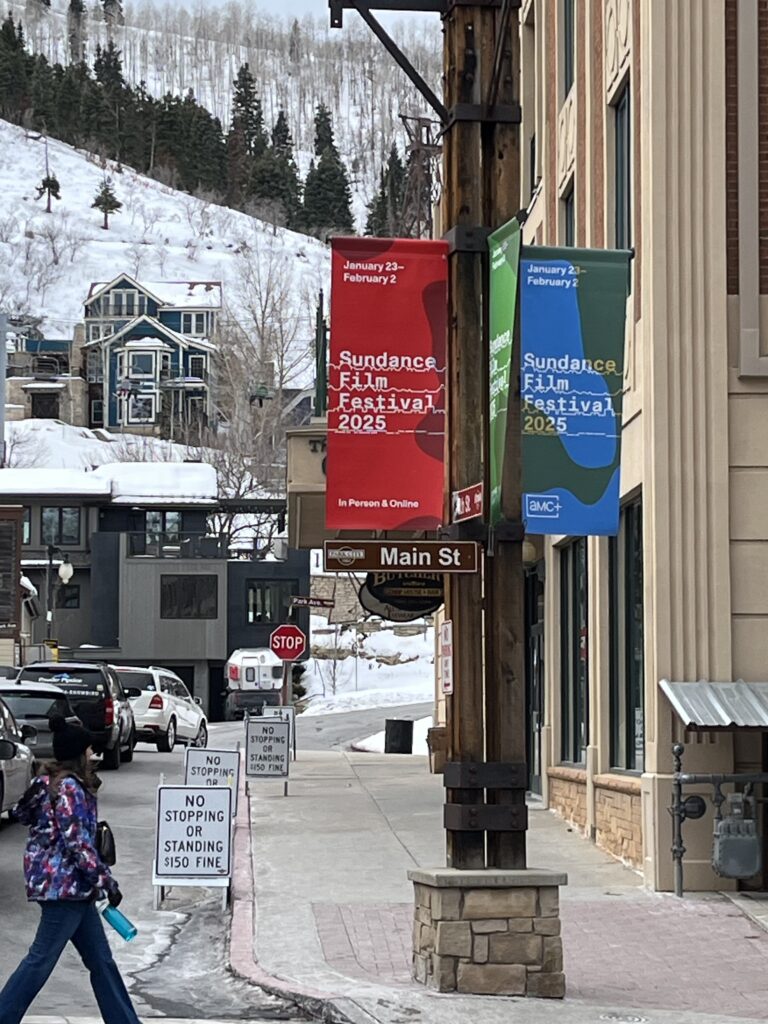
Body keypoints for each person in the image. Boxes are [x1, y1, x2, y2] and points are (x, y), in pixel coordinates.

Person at [0, 716, 141, 1024]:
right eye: (90, 751)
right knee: (40, 960)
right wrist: (106, 881)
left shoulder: (46, 783)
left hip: (71, 887)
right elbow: (77, 843)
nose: (94, 755)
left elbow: (29, 817)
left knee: (101, 961)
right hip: (64, 887)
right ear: (78, 755)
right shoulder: (69, 789)